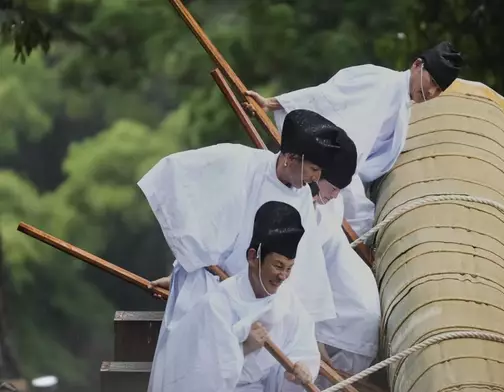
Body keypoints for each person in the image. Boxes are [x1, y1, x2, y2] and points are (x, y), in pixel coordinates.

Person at [140, 109, 355, 374]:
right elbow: (186, 188)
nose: (315, 178)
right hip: (213, 288)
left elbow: (306, 270)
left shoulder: (301, 201)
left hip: (262, 304)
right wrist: (187, 266)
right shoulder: (241, 162)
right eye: (313, 169)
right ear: (290, 158)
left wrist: (310, 340)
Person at [246, 41, 463, 236]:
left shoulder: (403, 105)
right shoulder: (377, 81)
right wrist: (271, 103)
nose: (432, 91)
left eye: (439, 89)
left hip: (341, 181)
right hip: (325, 176)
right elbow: (326, 96)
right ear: (417, 65)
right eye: (432, 80)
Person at [148, 201, 320, 392]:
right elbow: (196, 375)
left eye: (289, 268)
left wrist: (300, 369)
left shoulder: (289, 303)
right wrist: (243, 348)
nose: (283, 277)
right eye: (278, 266)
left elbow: (301, 350)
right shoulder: (217, 304)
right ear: (253, 257)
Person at [311, 147, 381, 384]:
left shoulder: (327, 203)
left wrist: (313, 334)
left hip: (347, 310)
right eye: (332, 188)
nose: (334, 194)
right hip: (342, 303)